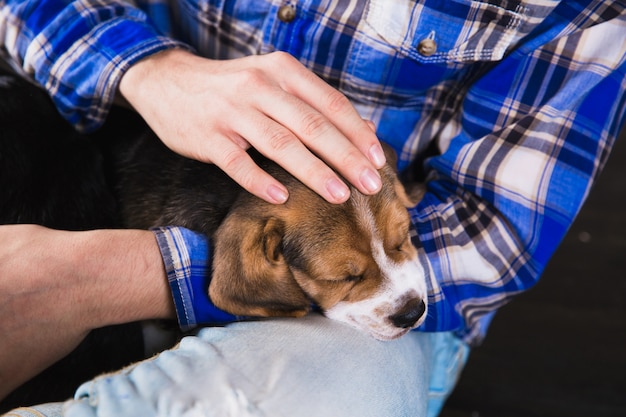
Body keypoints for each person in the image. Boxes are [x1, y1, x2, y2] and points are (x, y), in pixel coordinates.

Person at [0, 0, 624, 416]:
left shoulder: (588, 10)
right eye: (356, 274)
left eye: (392, 245)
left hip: (382, 303)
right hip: (90, 147)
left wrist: (102, 277)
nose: (398, 292)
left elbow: (495, 238)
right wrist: (146, 66)